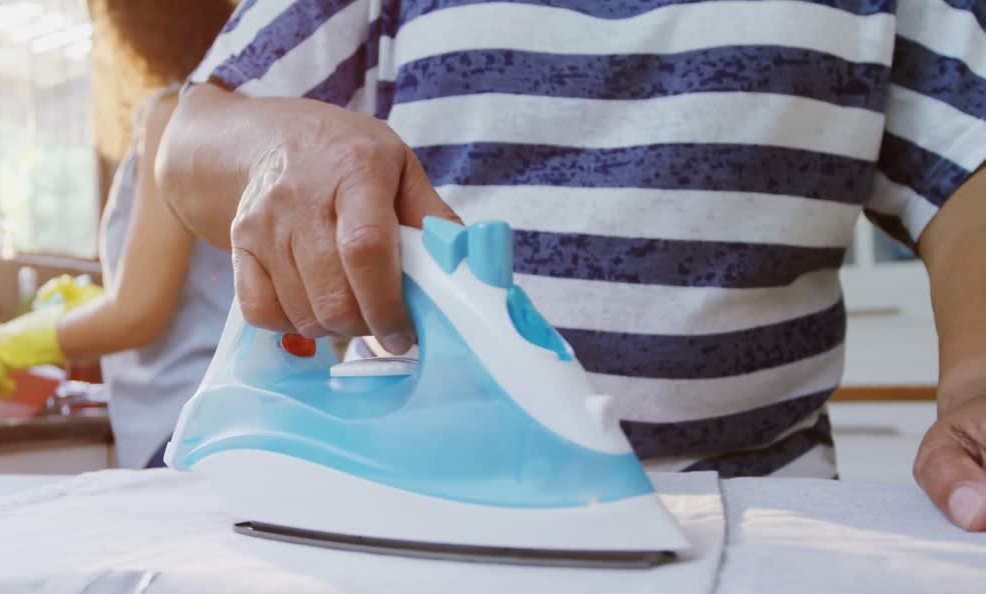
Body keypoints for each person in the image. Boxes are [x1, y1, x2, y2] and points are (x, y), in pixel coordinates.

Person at [156, 1, 986, 531]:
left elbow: (967, 163)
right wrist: (284, 146)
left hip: (766, 520)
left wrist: (976, 387)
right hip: (419, 527)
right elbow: (194, 136)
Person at [0, 0, 235, 469]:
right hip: (236, 418)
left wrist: (13, 341)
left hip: (191, 426)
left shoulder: (173, 114)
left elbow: (139, 314)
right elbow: (205, 289)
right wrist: (97, 303)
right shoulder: (233, 115)